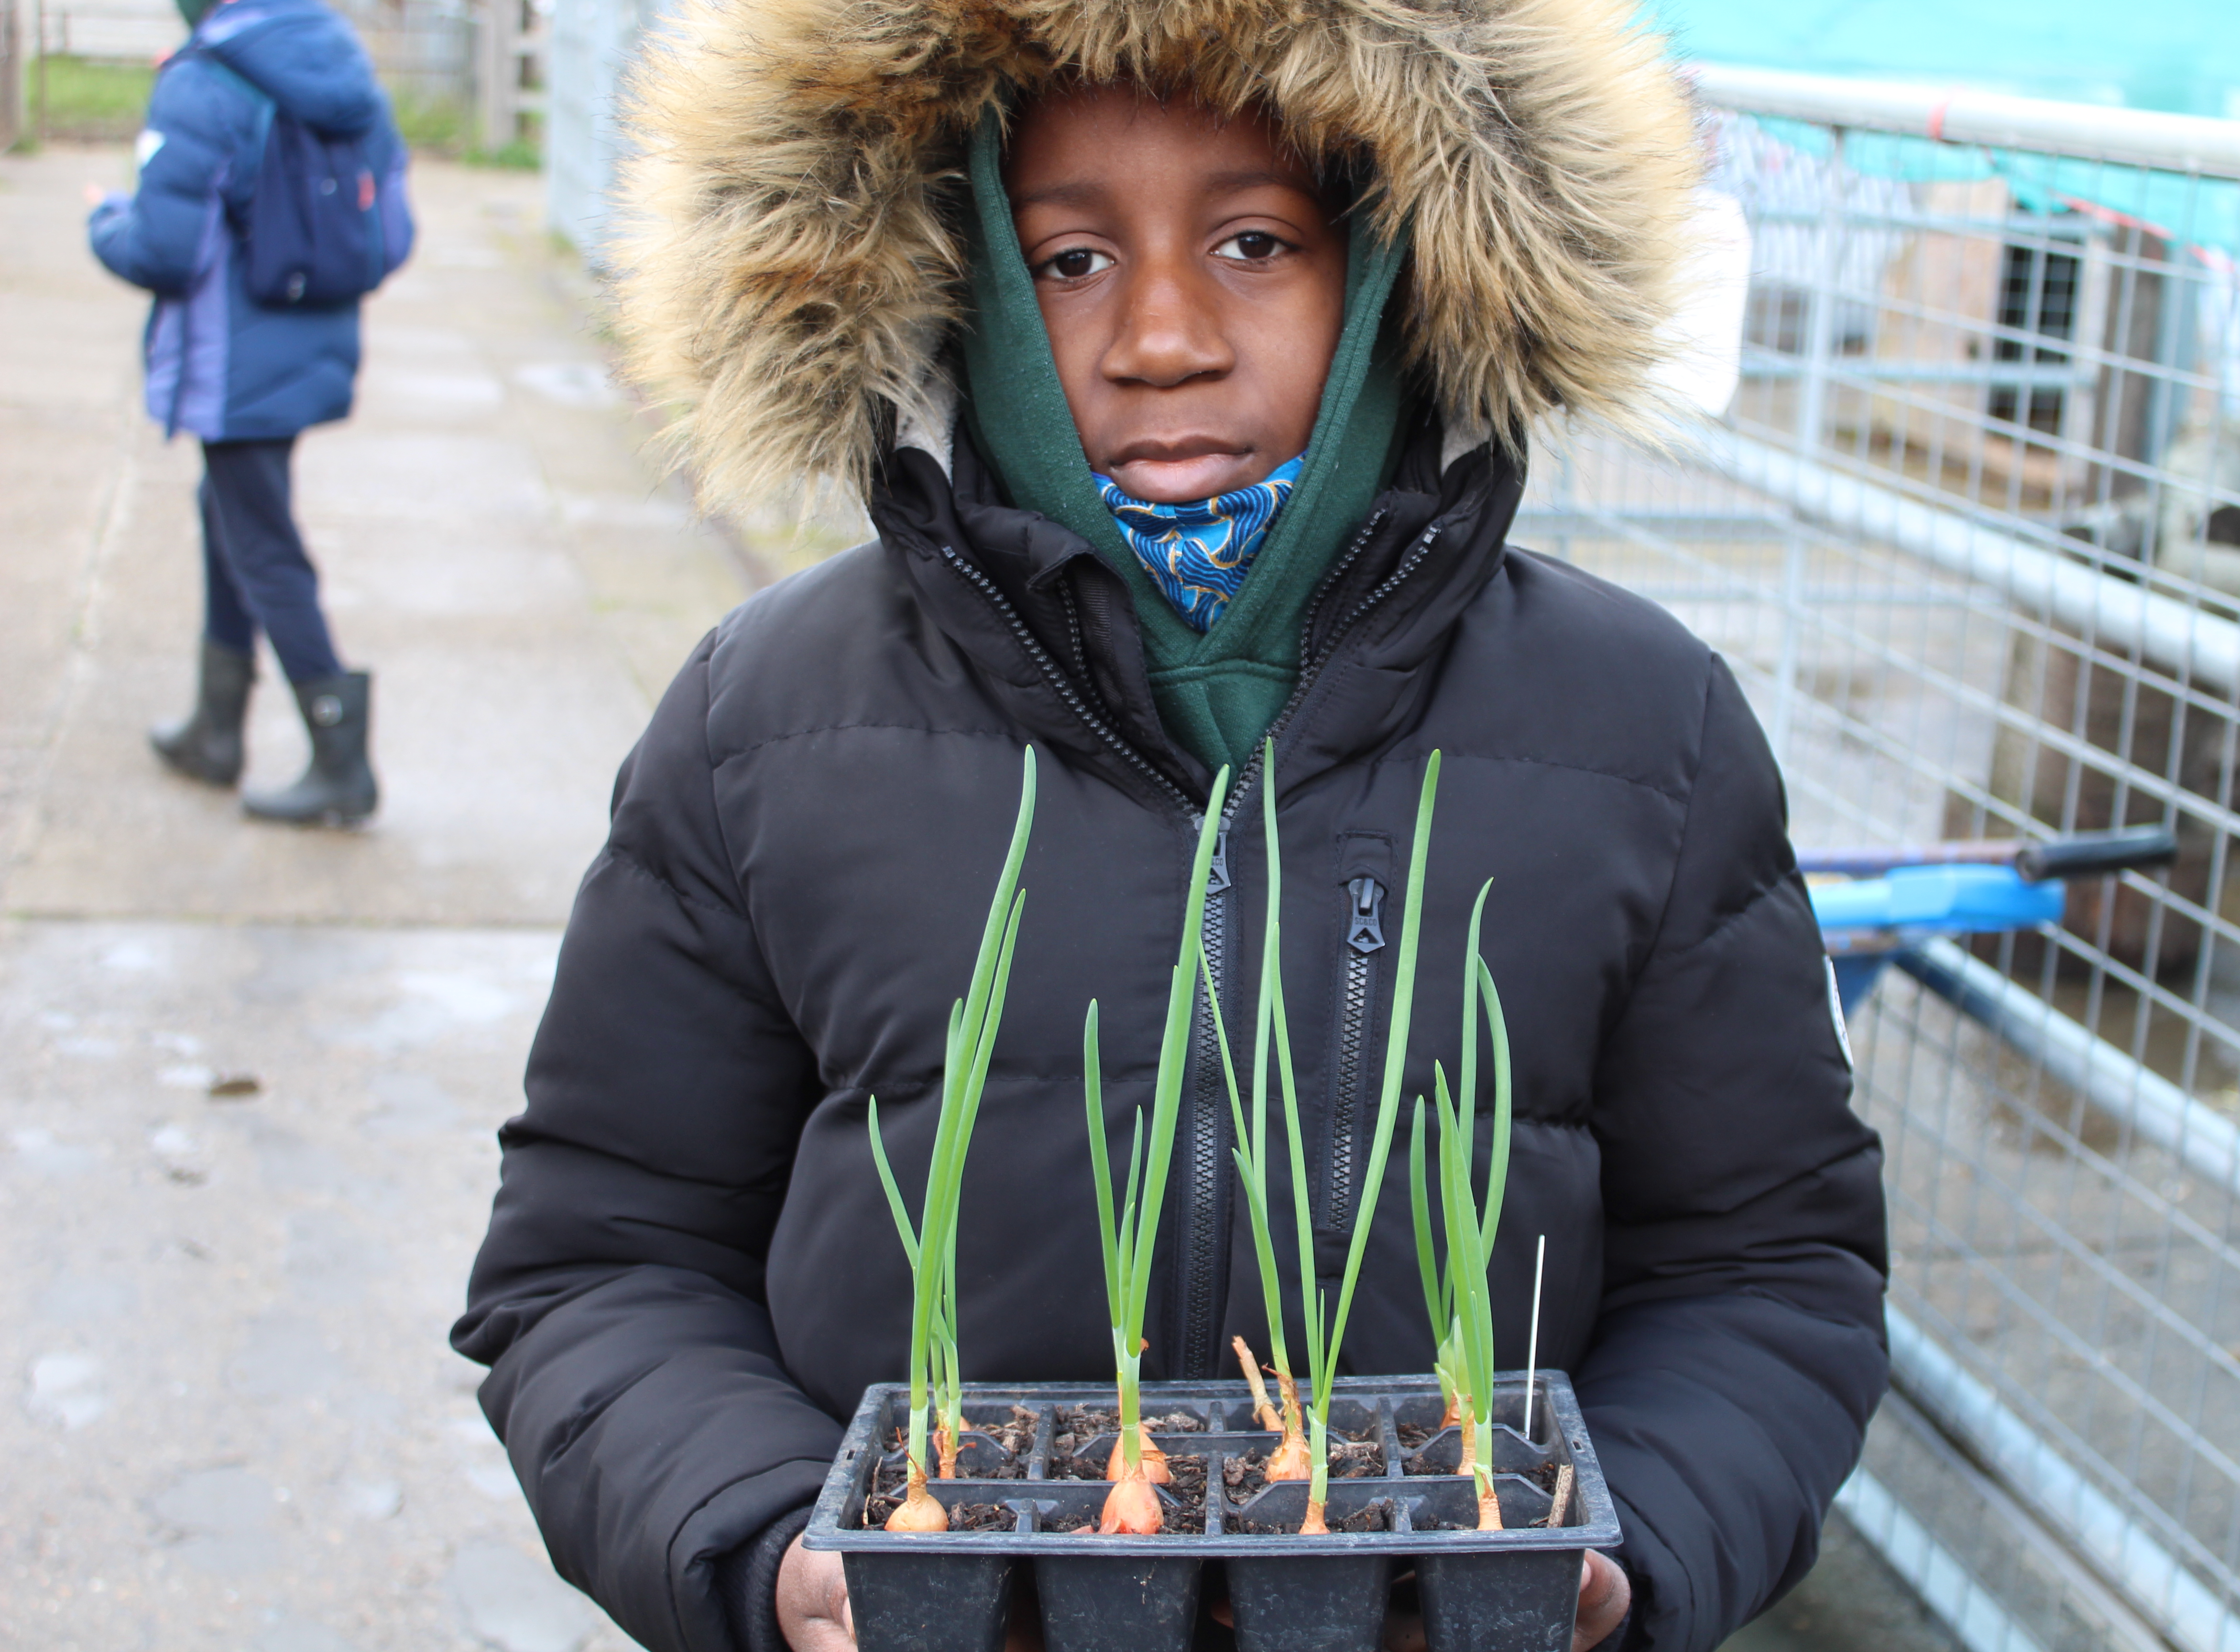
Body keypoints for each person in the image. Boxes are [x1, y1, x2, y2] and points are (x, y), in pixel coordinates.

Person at [453, 2, 1888, 1649]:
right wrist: (772, 1541)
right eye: (1069, 259)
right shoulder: (766, 717)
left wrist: (1621, 1545)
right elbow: (596, 1260)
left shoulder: (1641, 724)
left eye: (1255, 240)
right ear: (953, 273)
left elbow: (1767, 1275)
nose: (1159, 336)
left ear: (1398, 262)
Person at [88, 0, 405, 826]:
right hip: (313, 345)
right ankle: (215, 728)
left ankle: (341, 762)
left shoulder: (201, 81)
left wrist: (103, 218)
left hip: (232, 361)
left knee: (260, 540)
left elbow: (158, 249)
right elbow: (392, 233)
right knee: (226, 512)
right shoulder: (344, 65)